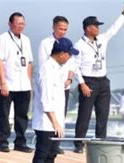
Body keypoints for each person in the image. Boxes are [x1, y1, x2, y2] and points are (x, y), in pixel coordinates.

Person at [73, 3, 124, 154]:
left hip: (103, 81)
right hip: (88, 81)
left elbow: (114, 29)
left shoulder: (101, 39)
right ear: (88, 28)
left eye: (98, 26)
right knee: (84, 114)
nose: (98, 28)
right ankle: (79, 143)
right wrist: (82, 84)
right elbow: (74, 66)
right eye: (96, 26)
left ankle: (101, 141)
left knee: (103, 114)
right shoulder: (79, 45)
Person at [31, 37, 79, 163]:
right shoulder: (46, 69)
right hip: (46, 121)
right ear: (62, 53)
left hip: (56, 120)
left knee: (52, 155)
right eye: (69, 55)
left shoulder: (59, 68)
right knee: (42, 154)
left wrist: (59, 122)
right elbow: (46, 99)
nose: (70, 58)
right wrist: (55, 122)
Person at [0, 12, 34, 153]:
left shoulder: (26, 40)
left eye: (23, 24)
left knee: (22, 115)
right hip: (8, 83)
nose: (20, 26)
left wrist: (28, 82)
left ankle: (20, 142)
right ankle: (3, 141)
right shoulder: (3, 38)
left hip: (23, 84)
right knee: (4, 114)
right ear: (10, 24)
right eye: (18, 24)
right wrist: (3, 82)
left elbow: (29, 62)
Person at [38, 15, 76, 154]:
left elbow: (72, 65)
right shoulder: (46, 43)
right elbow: (45, 64)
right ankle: (50, 143)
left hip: (63, 85)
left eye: (65, 29)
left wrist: (69, 79)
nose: (63, 32)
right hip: (51, 84)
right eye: (60, 28)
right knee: (49, 110)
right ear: (53, 27)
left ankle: (56, 144)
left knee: (61, 113)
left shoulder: (67, 43)